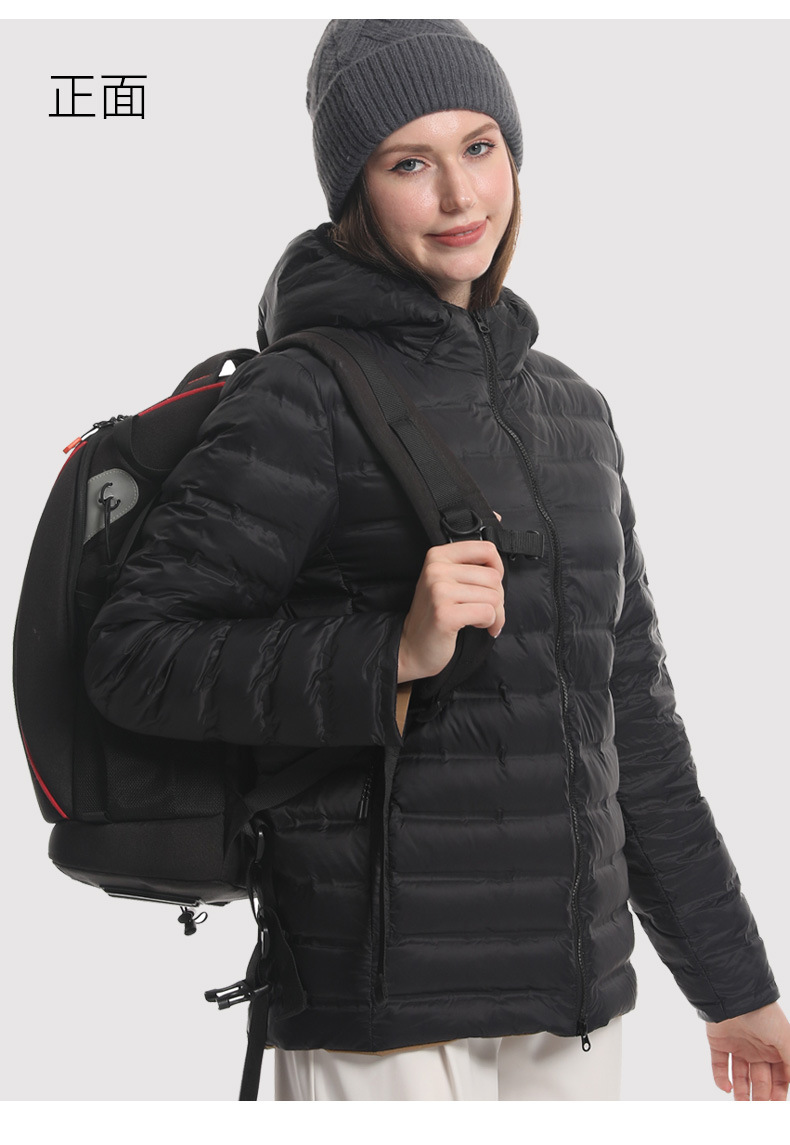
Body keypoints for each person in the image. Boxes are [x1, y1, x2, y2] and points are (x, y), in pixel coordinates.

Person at [82, 19, 789, 1101]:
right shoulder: (301, 395)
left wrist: (732, 984)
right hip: (383, 1013)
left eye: (480, 147)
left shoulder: (573, 412)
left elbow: (633, 722)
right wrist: (392, 651)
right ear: (355, 192)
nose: (461, 195)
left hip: (572, 1006)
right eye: (409, 163)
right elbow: (133, 655)